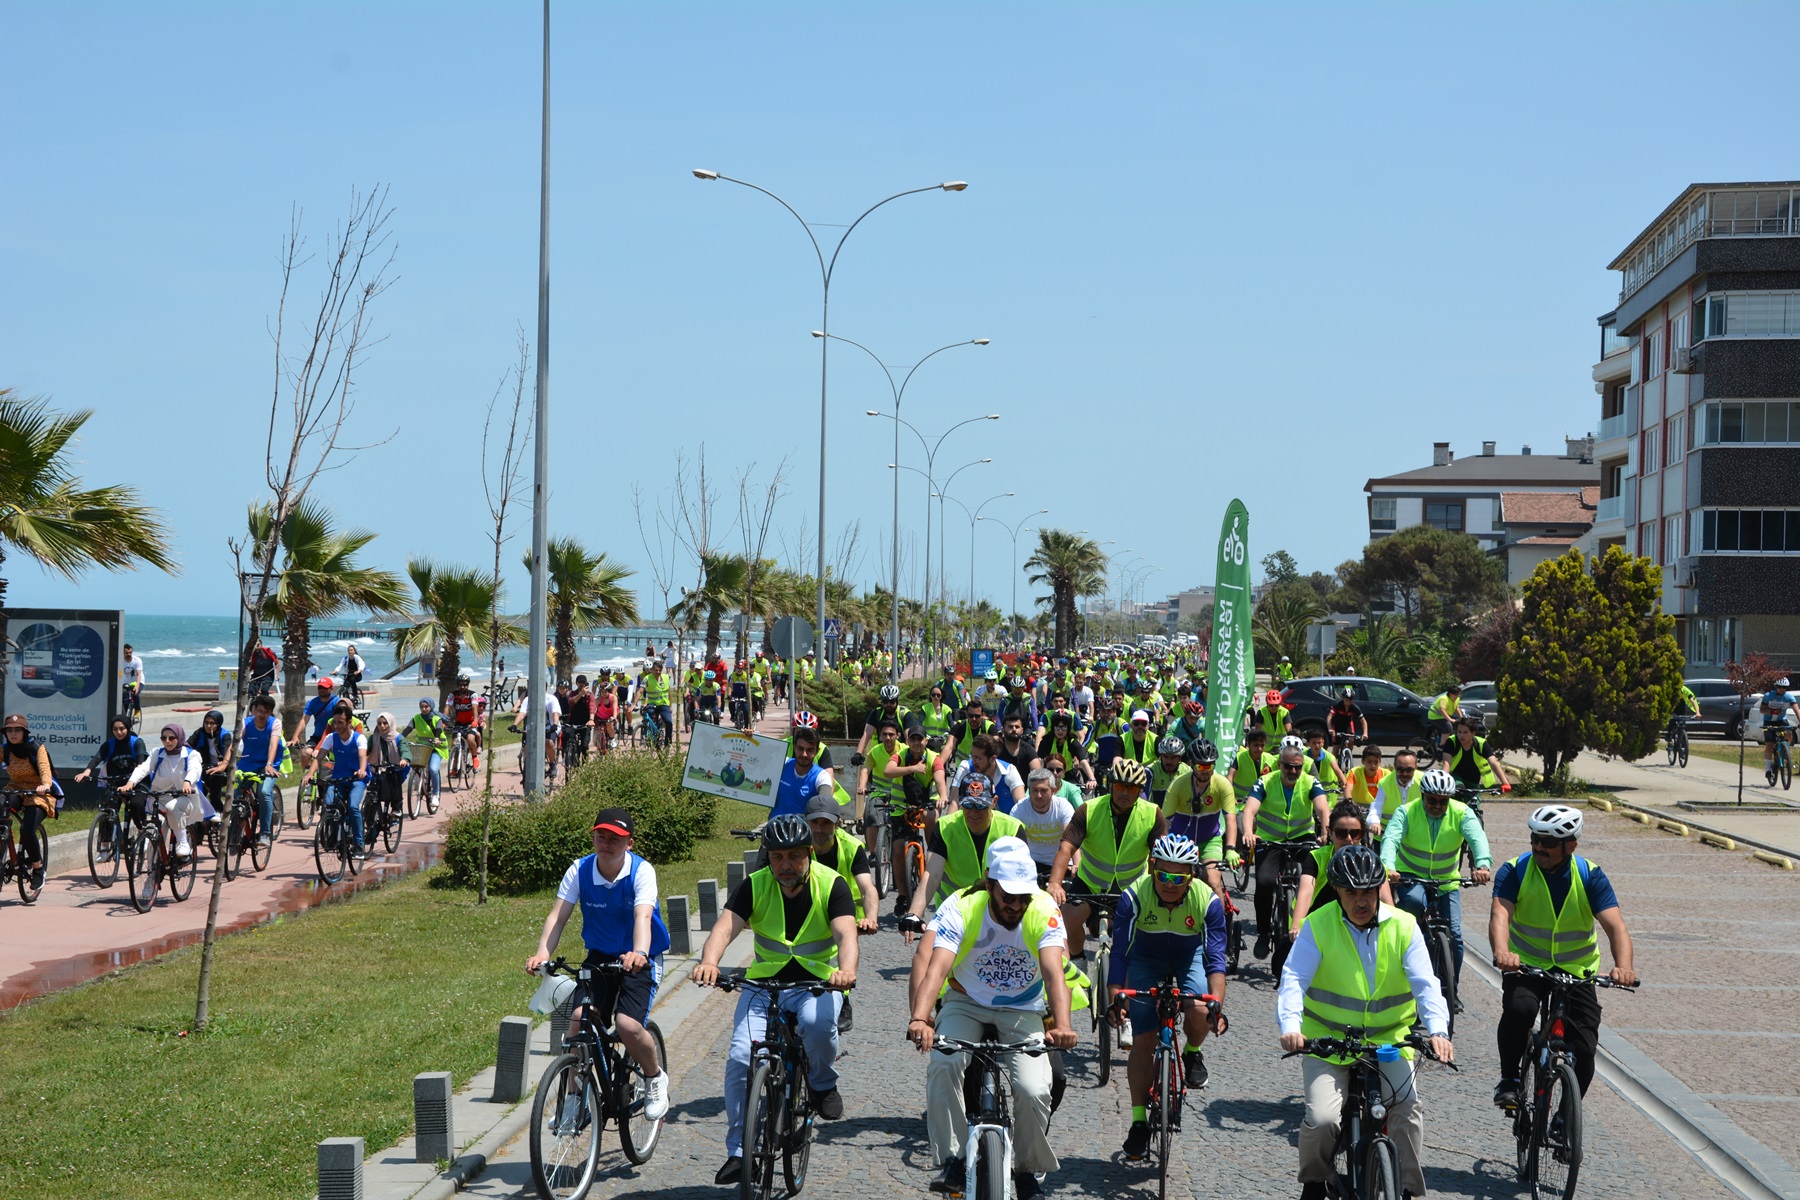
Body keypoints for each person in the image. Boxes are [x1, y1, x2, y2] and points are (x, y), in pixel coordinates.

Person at [1278, 843, 1453, 1200]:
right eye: (1351, 893)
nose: (1361, 901)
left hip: (1389, 1042)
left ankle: (1402, 1189)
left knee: (1406, 1108)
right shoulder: (1318, 924)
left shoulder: (1405, 926)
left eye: (1368, 892)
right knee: (1323, 1120)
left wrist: (1438, 1030)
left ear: (1379, 891)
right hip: (1327, 1043)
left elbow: (1426, 984)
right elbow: (1294, 979)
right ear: (1338, 892)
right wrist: (1291, 1029)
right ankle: (1314, 1181)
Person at [693, 814, 858, 1185]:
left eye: (794, 856)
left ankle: (821, 1083)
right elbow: (725, 926)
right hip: (763, 986)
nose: (785, 865)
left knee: (818, 1025)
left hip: (816, 983)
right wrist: (709, 962)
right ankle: (738, 1150)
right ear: (767, 856)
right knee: (739, 1057)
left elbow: (847, 934)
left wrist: (844, 971)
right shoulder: (754, 885)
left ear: (809, 854)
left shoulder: (832, 885)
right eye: (777, 856)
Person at [908, 836, 1076, 1200]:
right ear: (989, 883)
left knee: (1034, 1088)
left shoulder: (1042, 908)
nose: (1015, 905)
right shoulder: (962, 906)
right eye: (1007, 896)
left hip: (1023, 1007)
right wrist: (921, 1018)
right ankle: (952, 1160)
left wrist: (1062, 1025)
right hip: (965, 1001)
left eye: (1022, 897)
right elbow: (936, 969)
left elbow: (1053, 972)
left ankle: (1028, 1170)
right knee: (944, 1062)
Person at [528, 807, 672, 1123]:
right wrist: (542, 953)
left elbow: (642, 916)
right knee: (579, 1021)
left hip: (640, 956)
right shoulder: (579, 870)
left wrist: (639, 952)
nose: (606, 844)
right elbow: (558, 916)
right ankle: (574, 1103)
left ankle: (654, 1077)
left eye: (615, 839)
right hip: (601, 955)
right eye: (600, 836)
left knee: (628, 1025)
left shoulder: (641, 871)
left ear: (629, 843)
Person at [1489, 804, 1637, 1109]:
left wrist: (1624, 966)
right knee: (1520, 1010)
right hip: (1527, 965)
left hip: (1577, 970)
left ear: (1571, 845)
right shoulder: (1515, 870)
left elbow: (1615, 926)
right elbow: (1500, 914)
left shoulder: (1590, 875)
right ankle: (1509, 1079)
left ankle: (1566, 1116)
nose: (1540, 848)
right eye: (1535, 839)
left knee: (1584, 1048)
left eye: (1549, 842)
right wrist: (1503, 952)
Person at [1109, 833, 1229, 1160]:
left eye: (1179, 877)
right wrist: (1116, 997)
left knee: (1200, 1010)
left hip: (1188, 955)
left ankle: (1191, 1052)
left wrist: (1216, 1005)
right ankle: (1137, 1123)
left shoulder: (1208, 901)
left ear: (1192, 876)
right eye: (1163, 875)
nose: (1170, 884)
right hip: (1145, 959)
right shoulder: (1134, 896)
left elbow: (1216, 959)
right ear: (1152, 867)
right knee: (1144, 1039)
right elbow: (1120, 953)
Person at [1382, 767, 1491, 1001]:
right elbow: (1391, 839)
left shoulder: (1462, 813)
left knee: (1456, 936)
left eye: (1443, 801)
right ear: (1422, 795)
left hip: (1446, 882)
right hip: (1412, 876)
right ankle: (1409, 948)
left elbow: (1477, 838)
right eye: (1432, 800)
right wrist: (1388, 866)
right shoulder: (1406, 812)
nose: (1437, 806)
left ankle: (1452, 989)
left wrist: (1482, 865)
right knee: (1412, 901)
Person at [1047, 758, 1169, 962]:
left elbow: (1160, 855)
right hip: (1090, 883)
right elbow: (1066, 847)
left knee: (1148, 928)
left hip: (1132, 885)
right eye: (1120, 785)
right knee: (1066, 919)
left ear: (1140, 790)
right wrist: (1055, 883)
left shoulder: (1152, 813)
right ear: (1110, 785)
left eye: (1132, 788)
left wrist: (1157, 886)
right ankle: (1078, 960)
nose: (1124, 792)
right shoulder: (1089, 809)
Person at [901, 765, 1025, 927]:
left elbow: (1023, 881)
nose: (974, 812)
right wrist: (914, 915)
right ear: (959, 802)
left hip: (998, 913)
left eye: (981, 806)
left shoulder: (1013, 828)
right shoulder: (945, 827)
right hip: (953, 910)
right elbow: (932, 875)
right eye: (968, 805)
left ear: (994, 802)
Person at [1243, 742, 1330, 960]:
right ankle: (1264, 932)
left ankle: (1312, 927)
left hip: (1302, 838)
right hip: (1271, 840)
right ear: (1279, 765)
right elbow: (1249, 810)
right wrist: (1248, 832)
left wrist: (1327, 830)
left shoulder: (1310, 782)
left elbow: (1322, 807)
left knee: (1316, 878)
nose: (1293, 771)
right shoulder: (1265, 781)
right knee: (1264, 882)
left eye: (1297, 767)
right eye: (1288, 767)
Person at [1159, 738, 1239, 905]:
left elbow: (1230, 818)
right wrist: (1162, 846)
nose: (1205, 771)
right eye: (1200, 766)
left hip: (1209, 841)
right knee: (1171, 884)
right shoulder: (1178, 785)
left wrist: (1231, 848)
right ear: (1192, 765)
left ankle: (1220, 927)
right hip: (1179, 842)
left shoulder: (1222, 784)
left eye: (1209, 766)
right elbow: (1164, 822)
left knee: (1213, 881)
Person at [1291, 799, 1393, 928]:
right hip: (1315, 924)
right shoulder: (1316, 858)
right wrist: (1296, 927)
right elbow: (1305, 894)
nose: (1348, 839)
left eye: (1355, 833)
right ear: (1330, 832)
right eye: (1341, 833)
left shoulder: (1372, 862)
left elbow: (1387, 902)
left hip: (1356, 928)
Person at [121, 723, 206, 862]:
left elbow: (194, 770)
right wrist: (131, 783)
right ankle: (151, 876)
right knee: (153, 833)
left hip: (185, 798)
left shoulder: (192, 755)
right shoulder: (157, 753)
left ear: (179, 738)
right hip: (160, 798)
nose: (167, 741)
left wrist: (187, 782)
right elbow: (144, 768)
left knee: (173, 807)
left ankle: (183, 842)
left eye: (172, 738)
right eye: (164, 738)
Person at [2, 713, 59, 886]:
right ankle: (5, 842)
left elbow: (44, 769)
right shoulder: (4, 750)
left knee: (27, 830)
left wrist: (45, 784)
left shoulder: (36, 747)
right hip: (16, 788)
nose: (13, 734)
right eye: (9, 730)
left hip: (39, 792)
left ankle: (37, 868)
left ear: (24, 732)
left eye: (17, 730)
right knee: (0, 804)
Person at [304, 703, 370, 853]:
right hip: (338, 778)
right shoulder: (331, 738)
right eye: (335, 722)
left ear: (349, 723)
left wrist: (361, 770)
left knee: (353, 806)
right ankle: (333, 837)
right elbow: (319, 758)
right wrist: (309, 774)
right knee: (329, 805)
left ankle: (359, 844)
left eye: (340, 722)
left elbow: (362, 757)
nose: (336, 725)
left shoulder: (359, 739)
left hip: (357, 779)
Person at [1013, 767, 1077, 884]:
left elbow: (1071, 840)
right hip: (1032, 863)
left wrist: (1077, 864)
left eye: (1043, 791)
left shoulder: (1063, 807)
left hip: (1062, 862)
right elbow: (1012, 841)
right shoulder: (1019, 808)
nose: (1039, 795)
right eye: (1034, 790)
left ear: (1054, 790)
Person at [946, 733, 1027, 816]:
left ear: (992, 759)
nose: (973, 762)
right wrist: (947, 827)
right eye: (972, 756)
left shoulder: (1009, 771)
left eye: (978, 758)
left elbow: (1021, 805)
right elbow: (954, 802)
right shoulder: (966, 767)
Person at [772, 726, 838, 820]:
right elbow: (757, 756)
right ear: (794, 747)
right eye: (800, 749)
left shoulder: (822, 776)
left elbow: (825, 800)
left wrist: (826, 808)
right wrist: (749, 738)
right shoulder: (783, 764)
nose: (804, 754)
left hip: (804, 831)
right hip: (775, 827)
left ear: (817, 751)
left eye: (810, 750)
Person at [1445, 716, 1511, 794]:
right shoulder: (1452, 742)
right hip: (1455, 778)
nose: (1461, 736)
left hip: (1473, 782)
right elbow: (1446, 763)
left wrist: (1505, 783)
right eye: (1459, 732)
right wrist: (1443, 780)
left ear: (1473, 733)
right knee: (1460, 789)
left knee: (1474, 804)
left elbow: (1493, 763)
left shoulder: (1481, 744)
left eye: (1465, 732)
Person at [187, 709, 234, 818]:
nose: (208, 726)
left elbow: (229, 752)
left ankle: (217, 809)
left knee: (215, 779)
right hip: (205, 766)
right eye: (206, 723)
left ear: (218, 724)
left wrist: (223, 764)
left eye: (212, 723)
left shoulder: (225, 735)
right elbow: (188, 745)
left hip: (223, 768)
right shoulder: (199, 733)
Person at [1036, 710, 1094, 791]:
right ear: (1053, 727)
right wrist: (1037, 777)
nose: (1060, 731)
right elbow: (1039, 760)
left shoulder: (1072, 742)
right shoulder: (1047, 741)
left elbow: (1083, 761)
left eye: (1063, 727)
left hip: (1068, 776)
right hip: (1049, 776)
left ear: (1068, 728)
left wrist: (1092, 779)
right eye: (1057, 727)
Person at [1369, 748, 1422, 835]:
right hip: (1386, 834)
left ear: (1416, 766)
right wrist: (1375, 822)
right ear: (1394, 766)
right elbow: (1376, 807)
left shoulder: (1424, 781)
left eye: (1409, 770)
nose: (1405, 773)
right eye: (1400, 769)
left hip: (1414, 834)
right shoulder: (1385, 782)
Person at [408, 698, 450, 804]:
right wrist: (399, 739)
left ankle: (436, 794)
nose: (424, 709)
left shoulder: (437, 719)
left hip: (437, 748)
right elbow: (407, 729)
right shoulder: (416, 718)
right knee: (415, 765)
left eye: (426, 707)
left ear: (431, 707)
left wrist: (436, 738)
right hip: (423, 747)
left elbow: (439, 729)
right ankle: (417, 783)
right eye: (422, 707)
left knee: (433, 769)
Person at [445, 673, 487, 771]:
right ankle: (454, 768)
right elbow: (448, 707)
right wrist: (443, 720)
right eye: (460, 684)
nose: (462, 687)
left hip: (470, 722)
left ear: (468, 685)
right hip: (458, 723)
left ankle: (474, 757)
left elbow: (474, 707)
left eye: (465, 684)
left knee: (470, 738)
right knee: (455, 743)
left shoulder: (472, 694)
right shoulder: (453, 695)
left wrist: (476, 720)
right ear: (457, 685)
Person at [1760, 676, 1797, 779]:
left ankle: (1785, 750)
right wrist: (1772, 711)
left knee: (1789, 733)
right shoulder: (1768, 696)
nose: (1782, 689)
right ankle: (1768, 769)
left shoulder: (1789, 697)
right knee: (1769, 744)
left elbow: (1796, 710)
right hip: (1768, 721)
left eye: (1785, 687)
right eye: (1780, 687)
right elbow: (1762, 710)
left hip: (1781, 720)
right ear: (1776, 687)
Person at [298, 677, 339, 769]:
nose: (322, 690)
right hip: (317, 737)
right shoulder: (312, 702)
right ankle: (307, 777)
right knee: (305, 752)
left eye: (325, 688)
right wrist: (295, 736)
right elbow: (304, 720)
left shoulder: (337, 702)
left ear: (331, 688)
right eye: (320, 688)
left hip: (334, 736)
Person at [994, 713, 1042, 781]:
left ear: (1022, 730)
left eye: (1017, 727)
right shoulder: (995, 749)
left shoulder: (1028, 749)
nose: (1014, 729)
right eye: (1010, 727)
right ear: (1003, 730)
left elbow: (1038, 774)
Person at [639, 659, 674, 748]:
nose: (658, 672)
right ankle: (652, 737)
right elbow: (640, 691)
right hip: (652, 703)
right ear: (652, 670)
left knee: (669, 722)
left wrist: (670, 705)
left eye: (659, 670)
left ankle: (667, 743)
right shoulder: (647, 678)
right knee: (649, 715)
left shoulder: (666, 677)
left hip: (664, 704)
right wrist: (634, 703)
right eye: (656, 670)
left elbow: (669, 692)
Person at [1325, 685, 1367, 750]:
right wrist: (1330, 728)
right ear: (1343, 699)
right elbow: (1329, 717)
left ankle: (1349, 755)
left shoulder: (1355, 708)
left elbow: (1363, 721)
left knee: (1351, 740)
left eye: (1350, 701)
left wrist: (1365, 733)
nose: (1348, 702)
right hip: (1337, 726)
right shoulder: (1338, 705)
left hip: (1348, 725)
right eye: (1346, 700)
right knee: (1336, 748)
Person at [119, 644, 145, 723]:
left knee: (135, 693)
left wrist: (137, 686)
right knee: (124, 697)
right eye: (127, 653)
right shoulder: (120, 661)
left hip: (138, 681)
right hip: (126, 682)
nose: (129, 654)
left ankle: (137, 711)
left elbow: (138, 674)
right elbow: (119, 674)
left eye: (130, 652)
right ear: (123, 653)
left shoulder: (137, 660)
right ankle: (124, 716)